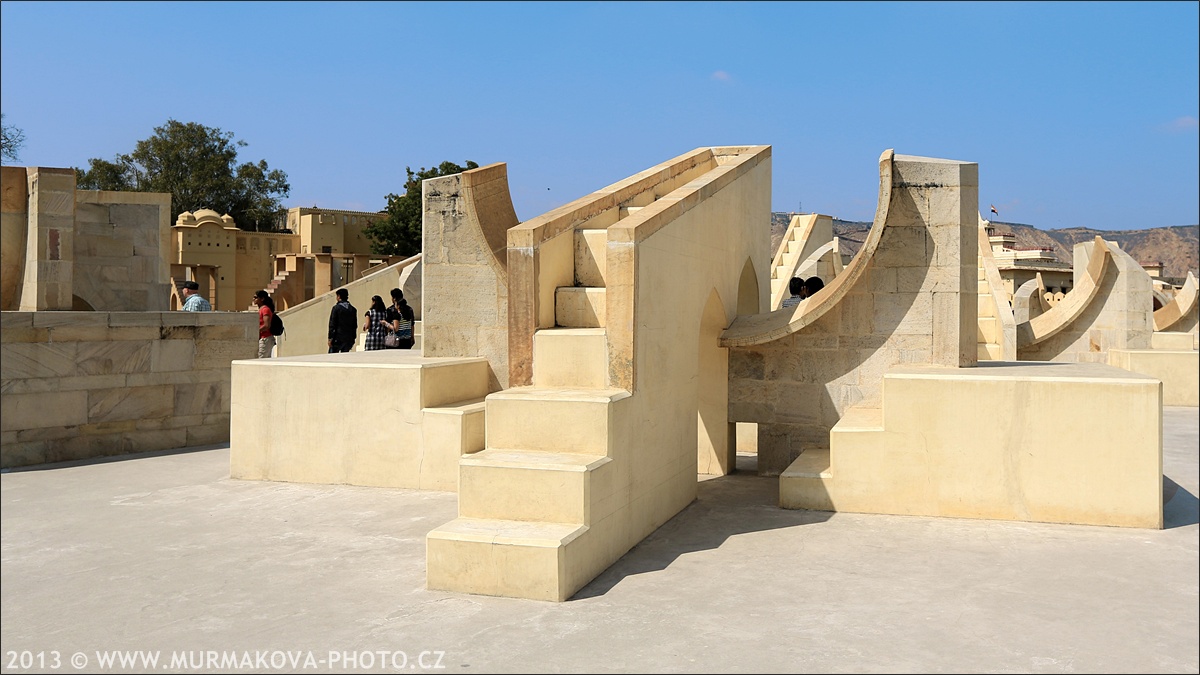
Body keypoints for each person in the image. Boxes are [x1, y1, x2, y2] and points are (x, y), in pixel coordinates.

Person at [327, 288, 358, 353]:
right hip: (348, 338)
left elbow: (332, 324)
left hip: (337, 338)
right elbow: (354, 325)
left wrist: (330, 338)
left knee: (332, 357)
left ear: (339, 296)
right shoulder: (353, 309)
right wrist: (353, 337)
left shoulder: (336, 308)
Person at [252, 290, 276, 358]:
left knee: (261, 359)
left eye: (256, 297)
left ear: (262, 299)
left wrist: (256, 331)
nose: (253, 299)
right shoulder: (261, 309)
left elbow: (267, 325)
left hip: (266, 338)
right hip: (262, 338)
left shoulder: (265, 309)